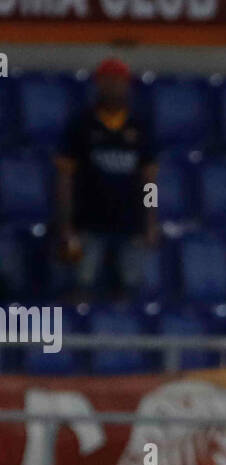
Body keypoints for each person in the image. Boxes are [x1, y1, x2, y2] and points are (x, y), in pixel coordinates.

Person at [54, 56, 158, 296]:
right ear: (98, 84)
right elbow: (64, 178)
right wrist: (66, 225)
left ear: (127, 85)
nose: (114, 87)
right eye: (108, 81)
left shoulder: (140, 127)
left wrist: (150, 222)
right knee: (81, 285)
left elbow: (149, 181)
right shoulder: (81, 125)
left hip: (131, 224)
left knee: (131, 289)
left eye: (119, 81)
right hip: (88, 223)